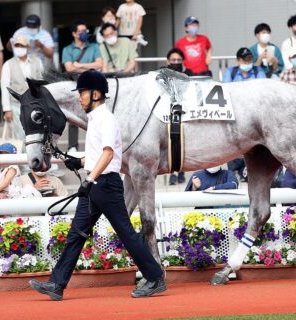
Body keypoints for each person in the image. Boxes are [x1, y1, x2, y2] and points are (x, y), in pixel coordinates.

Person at [29, 69, 166, 300]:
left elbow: (108, 153)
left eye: (82, 93)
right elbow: (97, 155)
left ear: (95, 94)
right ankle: (57, 284)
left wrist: (90, 178)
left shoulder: (106, 118)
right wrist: (79, 161)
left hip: (105, 184)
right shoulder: (95, 119)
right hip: (96, 184)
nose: (79, 97)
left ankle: (154, 277)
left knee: (126, 233)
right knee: (77, 233)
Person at [62, 20, 103, 152]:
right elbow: (69, 69)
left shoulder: (94, 47)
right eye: (81, 31)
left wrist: (79, 66)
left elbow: (100, 64)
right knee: (74, 116)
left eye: (85, 31)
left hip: (94, 85)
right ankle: (72, 146)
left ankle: (97, 145)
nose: (84, 34)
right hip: (76, 86)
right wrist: (89, 67)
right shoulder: (67, 49)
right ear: (74, 33)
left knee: (96, 115)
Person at [1, 35, 44, 141]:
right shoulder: (8, 64)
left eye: (22, 45)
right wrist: (7, 109)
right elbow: (4, 87)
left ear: (28, 47)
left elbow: (43, 83)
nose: (19, 48)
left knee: (36, 136)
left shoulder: (37, 62)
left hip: (36, 104)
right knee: (20, 136)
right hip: (16, 106)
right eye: (17, 45)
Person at [165, 47, 192, 186]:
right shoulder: (162, 74)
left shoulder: (189, 74)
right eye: (173, 60)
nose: (176, 62)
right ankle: (173, 172)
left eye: (179, 60)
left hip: (186, 113)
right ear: (168, 61)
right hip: (167, 114)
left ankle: (180, 171)